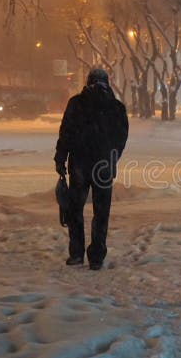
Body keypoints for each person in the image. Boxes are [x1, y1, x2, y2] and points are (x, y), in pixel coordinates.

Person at [55, 68, 129, 270]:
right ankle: (96, 256)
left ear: (88, 82)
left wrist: (60, 160)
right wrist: (112, 158)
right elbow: (121, 138)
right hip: (104, 167)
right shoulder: (116, 107)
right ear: (107, 83)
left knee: (75, 210)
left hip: (80, 164)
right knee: (101, 212)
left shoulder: (76, 104)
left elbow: (66, 134)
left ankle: (77, 254)